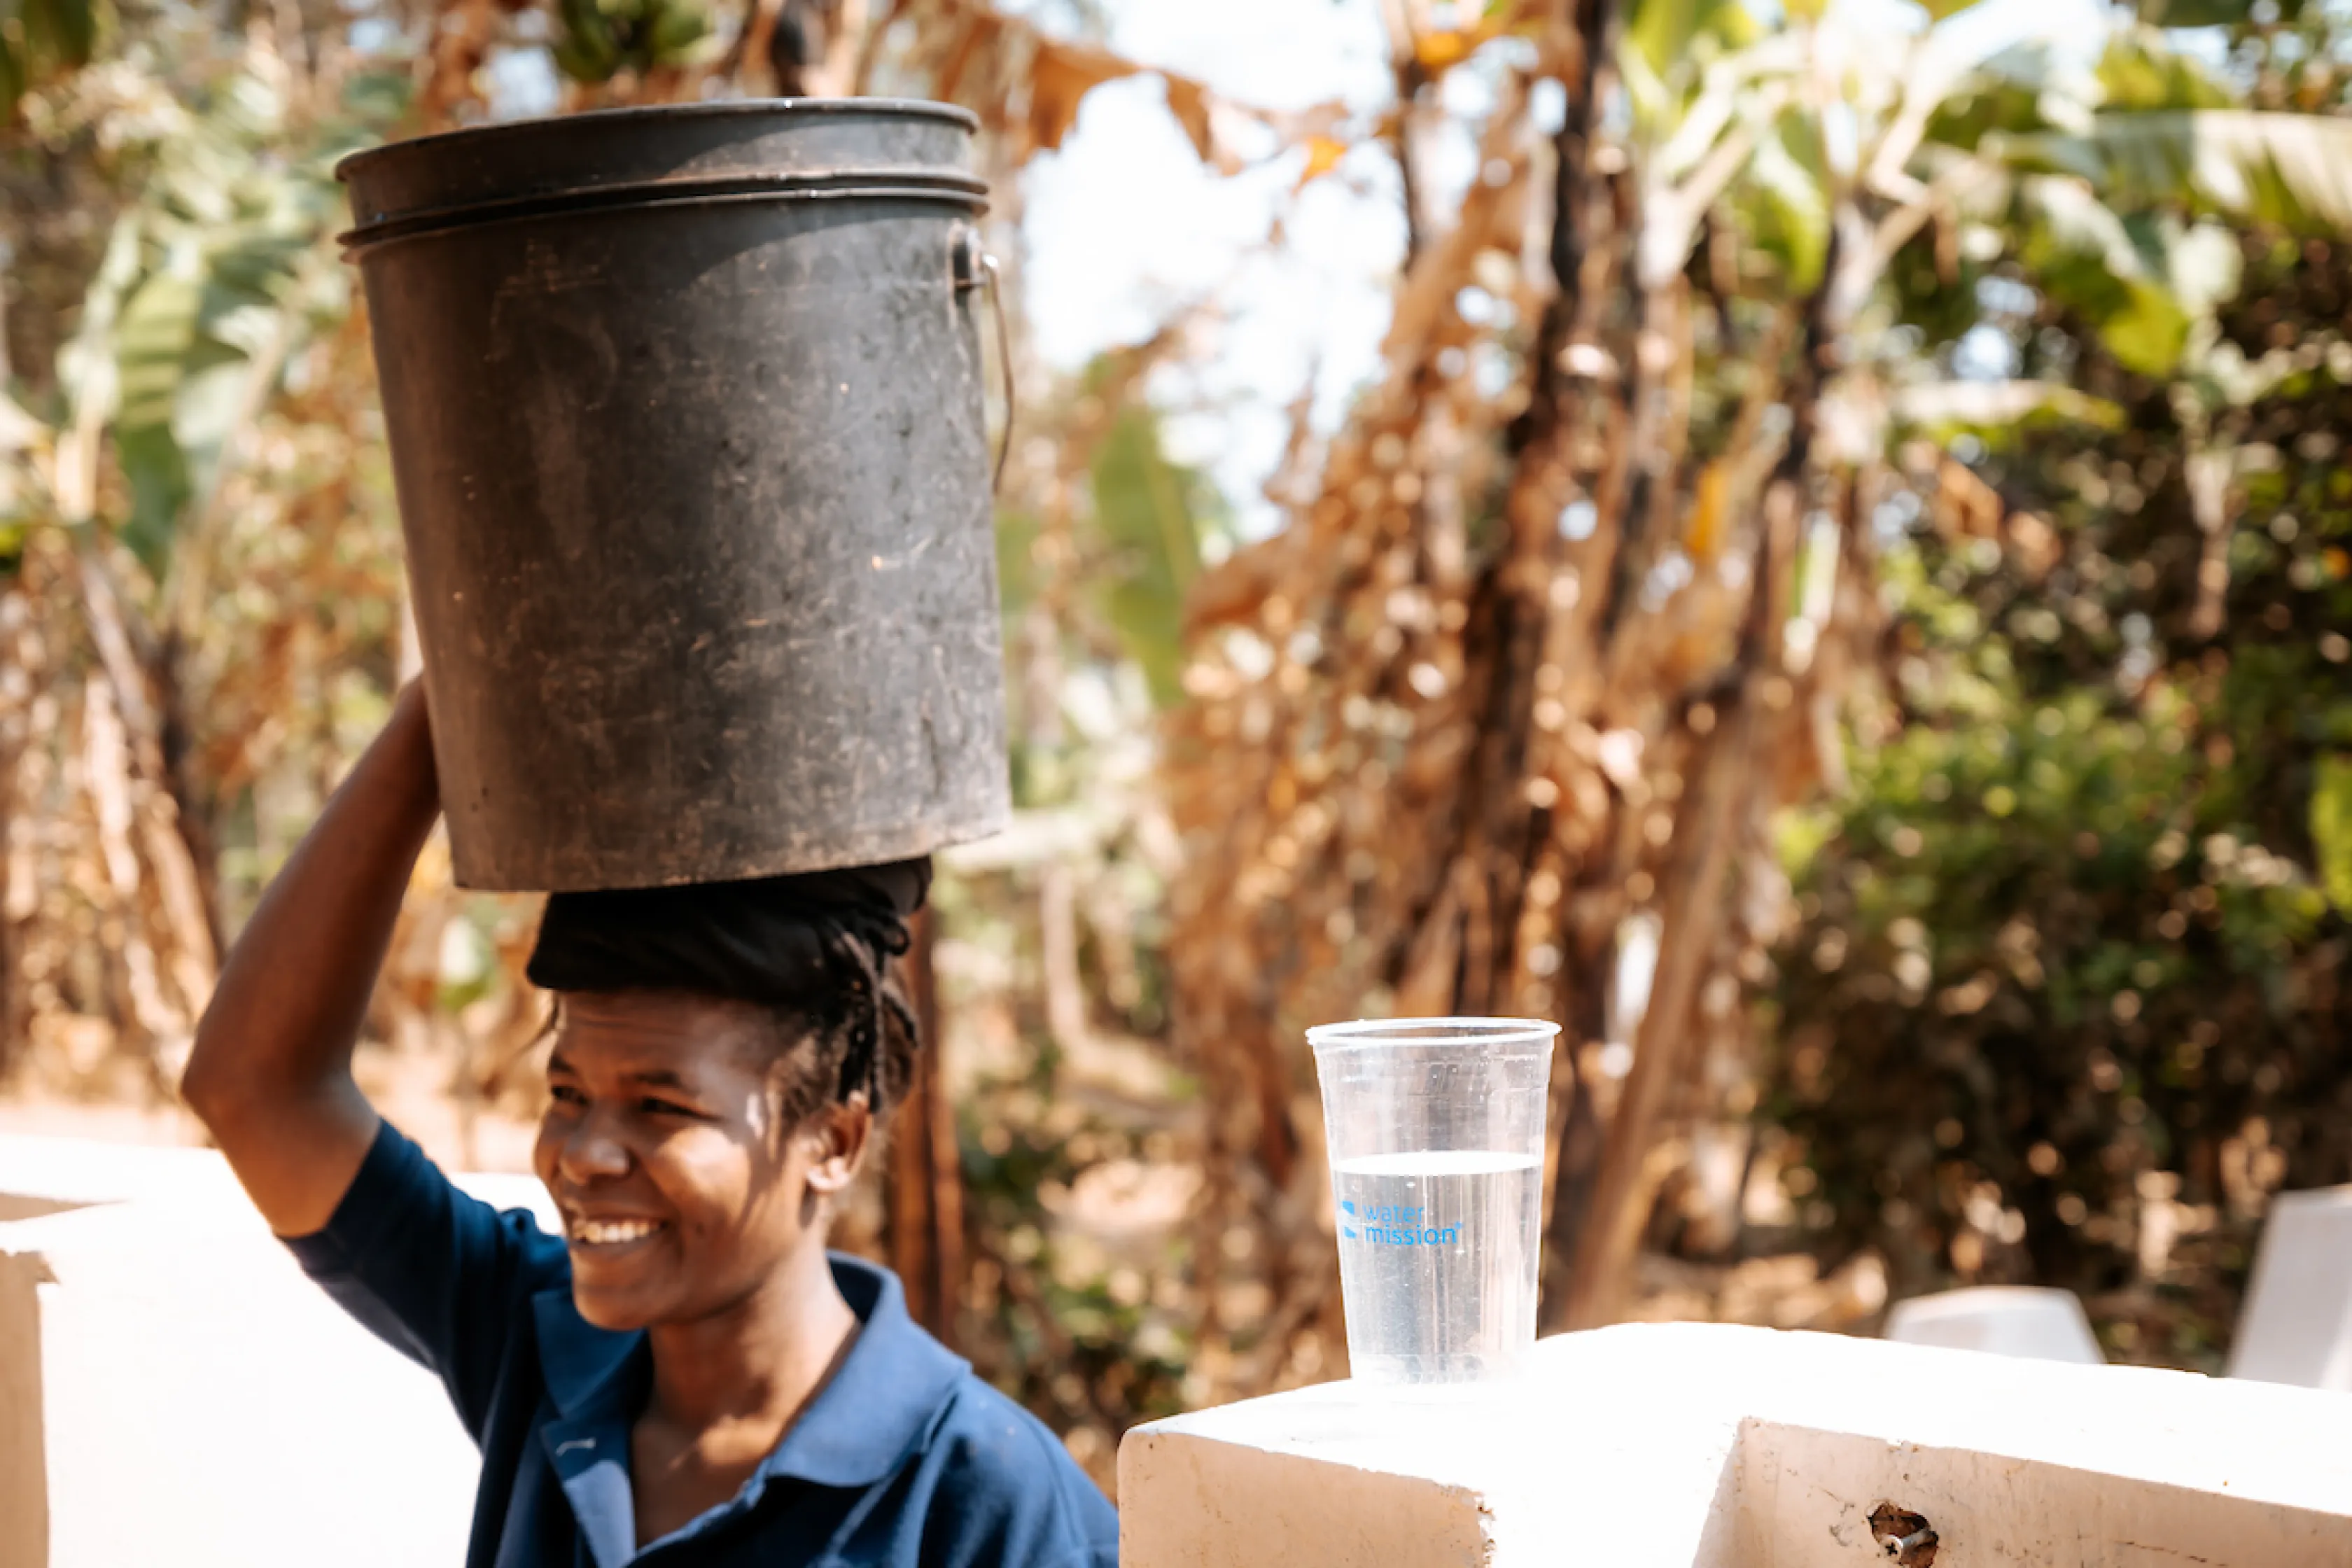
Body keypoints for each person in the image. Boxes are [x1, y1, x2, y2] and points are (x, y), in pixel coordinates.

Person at [182, 680, 1119, 1568]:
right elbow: (257, 1091)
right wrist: (441, 715)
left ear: (833, 1142)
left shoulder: (988, 1498)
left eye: (662, 1107)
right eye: (568, 1093)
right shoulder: (542, 1341)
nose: (583, 1155)